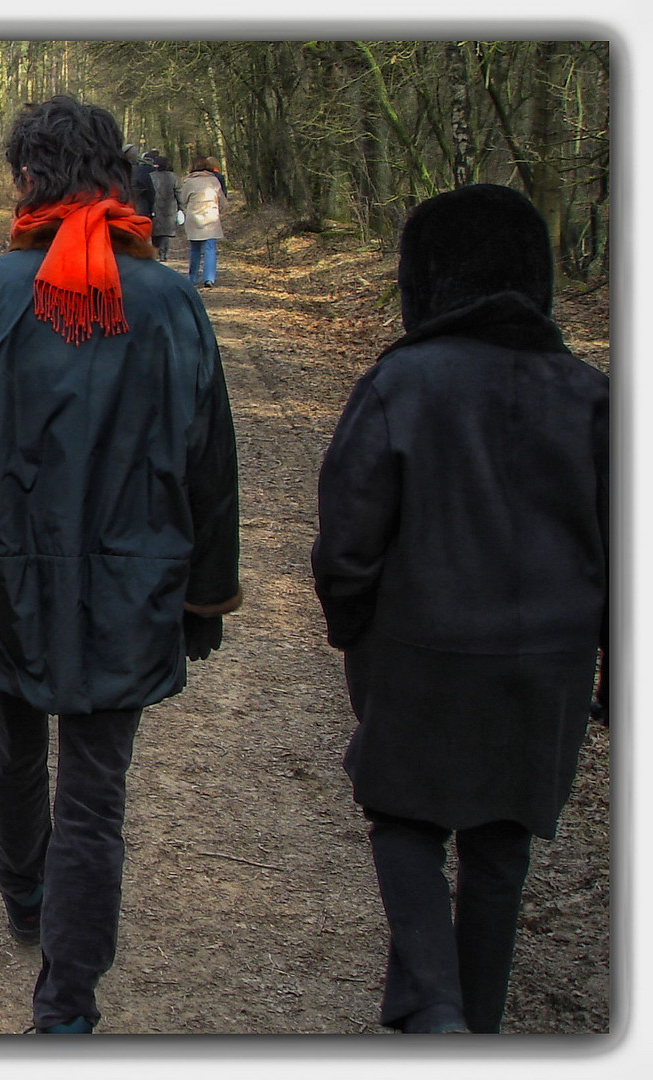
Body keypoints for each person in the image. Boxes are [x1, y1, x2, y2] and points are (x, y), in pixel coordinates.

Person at [0, 96, 242, 1034]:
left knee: (15, 751)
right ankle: (67, 1004)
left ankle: (29, 901)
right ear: (116, 177)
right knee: (96, 795)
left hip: (7, 586)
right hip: (133, 589)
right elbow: (211, 464)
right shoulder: (172, 304)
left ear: (27, 181)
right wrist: (205, 595)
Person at [311, 184, 609, 1035]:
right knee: (500, 845)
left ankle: (434, 1011)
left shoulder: (401, 383)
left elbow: (348, 538)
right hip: (547, 664)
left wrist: (351, 624)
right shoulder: (595, 397)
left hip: (421, 648)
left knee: (403, 821)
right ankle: (472, 1027)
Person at [180, 157, 229, 288]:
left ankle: (192, 278)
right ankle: (209, 278)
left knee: (195, 249)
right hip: (211, 218)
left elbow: (183, 199)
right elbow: (223, 202)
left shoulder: (188, 182)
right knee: (210, 248)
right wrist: (218, 211)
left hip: (194, 218)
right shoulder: (214, 180)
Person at [148, 155, 182, 261]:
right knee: (165, 233)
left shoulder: (150, 176)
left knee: (155, 231)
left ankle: (156, 251)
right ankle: (163, 254)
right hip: (169, 207)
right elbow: (179, 193)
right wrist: (181, 207)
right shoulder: (174, 177)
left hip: (154, 206)